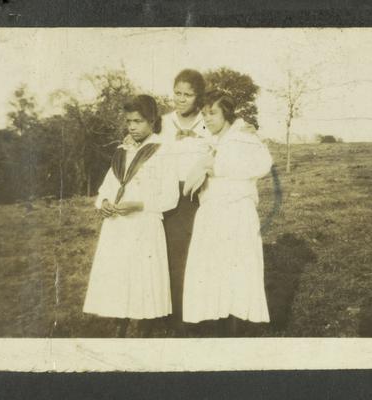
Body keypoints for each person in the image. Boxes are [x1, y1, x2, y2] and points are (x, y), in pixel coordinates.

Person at [83, 95, 179, 337]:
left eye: (138, 121)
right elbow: (108, 185)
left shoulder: (163, 151)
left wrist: (139, 205)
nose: (132, 127)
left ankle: (144, 329)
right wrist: (103, 202)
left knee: (142, 278)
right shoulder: (123, 150)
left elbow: (170, 198)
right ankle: (120, 327)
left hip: (144, 223)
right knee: (120, 276)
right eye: (129, 121)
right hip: (118, 225)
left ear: (153, 121)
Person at [182, 90, 272, 334]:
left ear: (227, 114)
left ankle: (235, 329)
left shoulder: (244, 137)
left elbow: (263, 164)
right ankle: (217, 326)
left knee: (237, 270)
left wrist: (218, 167)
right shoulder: (210, 141)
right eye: (204, 114)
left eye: (212, 113)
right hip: (212, 212)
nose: (207, 119)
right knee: (213, 271)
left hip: (236, 213)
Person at [158, 69, 211, 331]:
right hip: (166, 196)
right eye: (177, 93)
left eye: (188, 95)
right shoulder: (164, 123)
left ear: (198, 97)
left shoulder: (208, 122)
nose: (181, 99)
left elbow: (226, 141)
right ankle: (170, 315)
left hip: (197, 197)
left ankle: (194, 316)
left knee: (193, 257)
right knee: (168, 255)